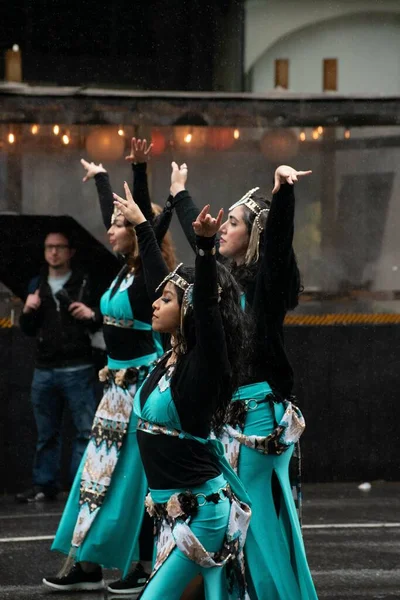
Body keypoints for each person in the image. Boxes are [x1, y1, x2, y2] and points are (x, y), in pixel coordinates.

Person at [165, 163, 318, 599]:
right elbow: (203, 236)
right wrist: (179, 194)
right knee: (240, 522)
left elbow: (278, 246)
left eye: (234, 222)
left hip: (258, 419)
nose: (224, 227)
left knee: (259, 521)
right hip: (229, 419)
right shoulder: (224, 284)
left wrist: (282, 191)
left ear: (254, 235)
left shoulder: (265, 286)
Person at [43, 140, 176, 594]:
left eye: (122, 223)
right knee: (95, 475)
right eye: (115, 221)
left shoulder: (148, 279)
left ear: (142, 231)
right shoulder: (122, 270)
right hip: (116, 390)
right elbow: (116, 219)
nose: (111, 228)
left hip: (142, 388)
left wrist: (140, 172)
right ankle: (89, 562)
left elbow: (143, 224)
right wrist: (102, 178)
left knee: (135, 480)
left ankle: (142, 563)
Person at [111, 180, 252, 600]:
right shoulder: (168, 357)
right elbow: (162, 278)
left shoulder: (203, 365)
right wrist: (142, 227)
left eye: (167, 300)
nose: (155, 304)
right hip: (171, 517)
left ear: (187, 310)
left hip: (201, 516)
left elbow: (205, 304)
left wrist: (206, 250)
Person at [16, 230, 101, 503]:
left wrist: (90, 314)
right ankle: (44, 484)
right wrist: (27, 311)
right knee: (46, 433)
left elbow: (100, 321)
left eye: (59, 247)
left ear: (70, 251)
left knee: (85, 431)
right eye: (49, 247)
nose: (53, 252)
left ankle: (80, 484)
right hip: (45, 367)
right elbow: (28, 329)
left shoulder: (85, 281)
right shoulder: (36, 283)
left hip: (79, 365)